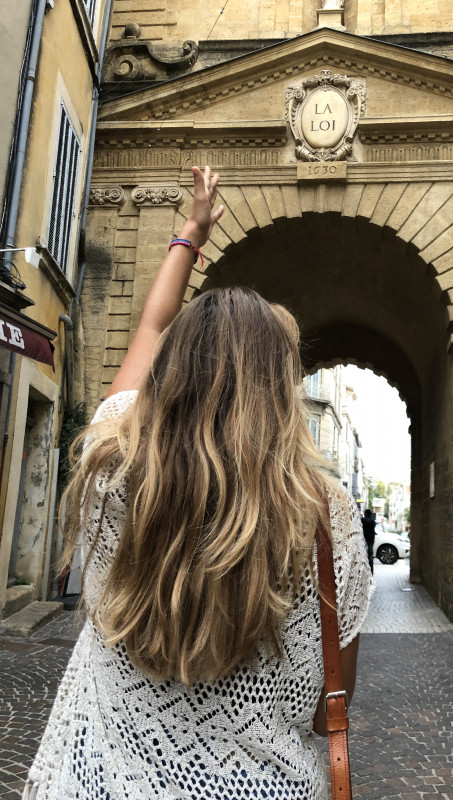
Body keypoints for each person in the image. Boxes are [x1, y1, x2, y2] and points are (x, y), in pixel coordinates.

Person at [23, 166, 373, 800]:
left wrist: (192, 232)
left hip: (96, 781)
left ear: (170, 377)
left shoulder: (111, 467)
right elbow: (329, 710)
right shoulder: (327, 517)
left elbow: (150, 330)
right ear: (281, 395)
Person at [361, 509, 377, 575]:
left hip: (364, 539)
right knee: (370, 556)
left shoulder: (363, 520)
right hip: (371, 540)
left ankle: (363, 571)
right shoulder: (373, 521)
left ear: (366, 513)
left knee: (362, 555)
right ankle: (371, 571)